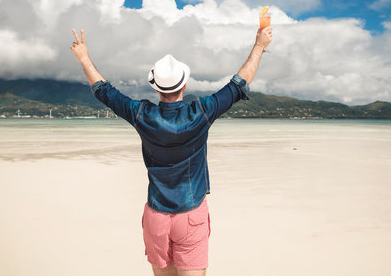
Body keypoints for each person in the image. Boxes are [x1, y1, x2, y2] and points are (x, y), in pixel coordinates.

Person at [70, 25, 273, 276]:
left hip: (156, 215)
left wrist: (84, 58)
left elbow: (104, 92)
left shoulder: (141, 114)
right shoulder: (201, 112)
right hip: (191, 214)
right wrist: (260, 46)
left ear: (156, 88)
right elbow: (239, 84)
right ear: (184, 85)